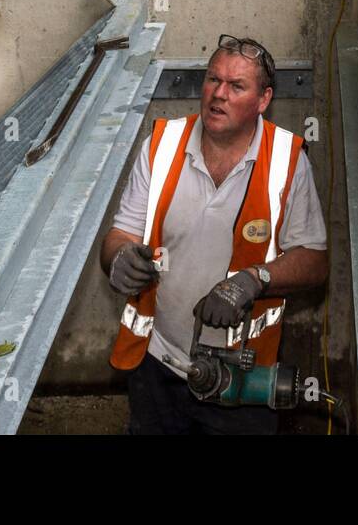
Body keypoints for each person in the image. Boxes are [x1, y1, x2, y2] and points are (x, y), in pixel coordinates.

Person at [100, 34, 328, 434]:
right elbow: (121, 234)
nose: (218, 95)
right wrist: (119, 259)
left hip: (241, 375)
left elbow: (314, 260)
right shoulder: (162, 144)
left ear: (263, 99)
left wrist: (252, 281)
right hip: (157, 368)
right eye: (213, 80)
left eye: (236, 86)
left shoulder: (287, 160)